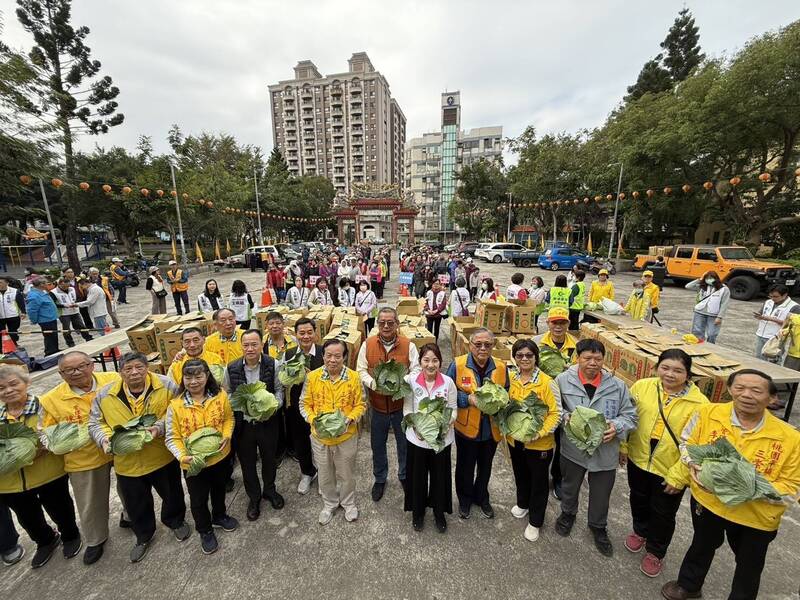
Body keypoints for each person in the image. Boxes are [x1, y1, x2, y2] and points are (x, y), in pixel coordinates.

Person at [661, 370, 800, 600]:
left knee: (750, 563)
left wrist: (746, 487)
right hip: (709, 501)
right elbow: (687, 442)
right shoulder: (708, 413)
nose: (746, 395)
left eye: (756, 390)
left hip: (755, 515)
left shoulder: (790, 438)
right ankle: (689, 585)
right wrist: (692, 464)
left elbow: (793, 487)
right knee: (702, 544)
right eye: (740, 388)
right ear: (729, 389)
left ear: (772, 398)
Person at [89, 352, 190, 563]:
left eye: (139, 367)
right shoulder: (105, 394)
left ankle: (176, 521)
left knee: (172, 494)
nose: (134, 373)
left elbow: (178, 410)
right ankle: (143, 535)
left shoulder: (166, 385)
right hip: (127, 462)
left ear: (147, 368)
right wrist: (107, 440)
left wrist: (159, 427)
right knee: (136, 502)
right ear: (120, 372)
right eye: (128, 369)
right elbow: (95, 423)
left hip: (161, 456)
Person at [619, 349, 709, 577]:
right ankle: (640, 530)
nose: (670, 374)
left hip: (670, 466)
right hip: (639, 457)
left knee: (664, 511)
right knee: (637, 497)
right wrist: (623, 446)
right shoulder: (643, 386)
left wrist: (679, 476)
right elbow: (627, 416)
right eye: (665, 368)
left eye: (678, 371)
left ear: (688, 375)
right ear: (657, 367)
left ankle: (656, 551)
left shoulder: (700, 404)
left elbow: (698, 445)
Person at [554, 339, 638, 557]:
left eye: (598, 359)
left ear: (604, 360)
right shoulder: (563, 381)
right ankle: (567, 514)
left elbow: (630, 416)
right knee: (570, 485)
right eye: (587, 358)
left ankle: (598, 526)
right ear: (577, 358)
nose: (593, 363)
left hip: (605, 450)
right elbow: (555, 409)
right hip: (574, 448)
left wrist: (616, 427)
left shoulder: (618, 386)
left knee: (601, 493)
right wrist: (566, 417)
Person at [38, 352, 120, 564]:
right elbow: (47, 434)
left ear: (92, 365)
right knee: (90, 502)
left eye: (81, 366)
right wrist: (56, 444)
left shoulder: (113, 380)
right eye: (68, 370)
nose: (76, 373)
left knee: (131, 488)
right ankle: (95, 539)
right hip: (83, 458)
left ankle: (130, 517)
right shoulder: (51, 400)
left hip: (118, 447)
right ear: (60, 374)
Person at [0, 366, 82, 568]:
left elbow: (63, 434)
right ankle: (45, 541)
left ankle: (70, 536)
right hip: (10, 482)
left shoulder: (45, 406)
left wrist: (35, 450)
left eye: (13, 384)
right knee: (27, 517)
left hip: (48, 473)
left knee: (59, 507)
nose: (8, 391)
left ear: (26, 383)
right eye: (1, 388)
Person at [166, 359, 237, 555]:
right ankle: (204, 530)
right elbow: (172, 437)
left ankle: (219, 515)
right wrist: (182, 456)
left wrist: (227, 435)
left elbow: (228, 418)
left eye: (198, 376)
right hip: (194, 463)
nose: (194, 382)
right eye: (188, 377)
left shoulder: (220, 395)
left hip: (219, 457)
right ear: (183, 379)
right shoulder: (176, 405)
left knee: (219, 489)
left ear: (207, 376)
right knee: (198, 499)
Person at [356, 307, 420, 502]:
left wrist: (402, 382)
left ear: (397, 324)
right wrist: (374, 384)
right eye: (382, 322)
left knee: (404, 444)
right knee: (377, 445)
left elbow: (416, 370)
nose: (386, 326)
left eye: (390, 323)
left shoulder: (408, 345)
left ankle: (404, 475)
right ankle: (380, 478)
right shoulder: (368, 344)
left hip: (401, 406)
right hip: (377, 407)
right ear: (377, 324)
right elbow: (361, 370)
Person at [299, 339, 366, 525]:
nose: (333, 360)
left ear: (345, 357)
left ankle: (348, 503)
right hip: (320, 437)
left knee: (347, 473)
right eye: (329, 356)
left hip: (346, 435)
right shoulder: (312, 377)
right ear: (323, 356)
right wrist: (315, 421)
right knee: (325, 473)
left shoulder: (353, 377)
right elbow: (304, 404)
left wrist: (350, 419)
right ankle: (329, 504)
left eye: (337, 356)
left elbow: (361, 404)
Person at [446, 328, 509, 520]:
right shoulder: (457, 365)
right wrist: (468, 400)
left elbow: (507, 391)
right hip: (466, 428)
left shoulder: (501, 367)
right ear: (470, 345)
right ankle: (464, 499)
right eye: (478, 344)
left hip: (490, 430)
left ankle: (481, 497)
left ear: (493, 346)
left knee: (486, 466)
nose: (483, 348)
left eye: (488, 345)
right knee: (465, 466)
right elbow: (447, 395)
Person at [505, 339, 562, 542]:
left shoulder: (547, 382)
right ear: (515, 358)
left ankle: (535, 521)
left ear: (536, 357)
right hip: (516, 440)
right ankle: (522, 504)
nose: (525, 359)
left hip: (539, 444)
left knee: (539, 482)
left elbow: (556, 414)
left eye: (529, 355)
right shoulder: (511, 378)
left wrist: (541, 432)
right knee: (520, 474)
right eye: (520, 355)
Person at [226, 330, 285, 521]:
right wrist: (242, 407)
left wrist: (271, 409)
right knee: (247, 463)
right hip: (243, 426)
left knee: (270, 459)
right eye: (246, 345)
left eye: (254, 344)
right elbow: (226, 393)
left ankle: (270, 490)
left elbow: (278, 391)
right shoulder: (232, 367)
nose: (250, 348)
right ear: (241, 346)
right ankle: (254, 497)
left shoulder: (272, 364)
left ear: (261, 344)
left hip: (268, 422)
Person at [403, 343, 456, 533]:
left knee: (439, 478)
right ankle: (418, 513)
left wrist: (445, 425)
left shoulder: (448, 382)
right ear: (420, 362)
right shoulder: (410, 381)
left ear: (440, 362)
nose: (430, 365)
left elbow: (453, 409)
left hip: (441, 441)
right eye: (426, 360)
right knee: (417, 478)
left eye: (435, 360)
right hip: (417, 439)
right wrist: (415, 426)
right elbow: (408, 409)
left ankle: (439, 513)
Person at [283, 318, 322, 495]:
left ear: (315, 333)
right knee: (301, 441)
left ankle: (325, 475)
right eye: (301, 333)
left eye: (309, 332)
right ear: (296, 334)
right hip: (297, 405)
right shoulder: (289, 354)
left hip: (321, 406)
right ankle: (307, 472)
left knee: (322, 442)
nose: (306, 336)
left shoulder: (324, 353)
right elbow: (282, 379)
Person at [753, 284, 799, 359]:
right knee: (759, 358)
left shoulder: (794, 307)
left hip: (776, 338)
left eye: (775, 297)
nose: (772, 299)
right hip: (761, 334)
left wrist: (771, 319)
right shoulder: (768, 302)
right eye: (770, 296)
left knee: (773, 360)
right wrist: (759, 316)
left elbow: (792, 326)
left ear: (785, 295)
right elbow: (761, 313)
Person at [686, 271, 730, 344]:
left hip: (714, 314)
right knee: (697, 331)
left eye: (711, 278)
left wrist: (720, 317)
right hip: (699, 311)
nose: (709, 280)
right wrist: (700, 279)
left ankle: (710, 347)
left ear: (716, 278)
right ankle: (698, 345)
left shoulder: (724, 289)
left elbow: (724, 304)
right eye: (707, 278)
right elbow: (688, 286)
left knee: (712, 334)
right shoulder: (702, 286)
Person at [51, 278, 93, 347]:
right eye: (64, 286)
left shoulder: (72, 289)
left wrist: (76, 303)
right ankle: (70, 343)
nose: (66, 288)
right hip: (64, 313)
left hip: (75, 311)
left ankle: (88, 337)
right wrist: (63, 305)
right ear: (59, 284)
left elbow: (76, 298)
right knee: (66, 329)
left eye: (68, 286)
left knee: (81, 325)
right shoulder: (53, 292)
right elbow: (53, 304)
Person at [25, 276, 60, 356]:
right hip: (45, 319)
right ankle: (50, 352)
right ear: (41, 284)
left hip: (51, 318)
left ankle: (55, 349)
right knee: (49, 337)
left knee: (54, 336)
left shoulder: (42, 292)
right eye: (45, 283)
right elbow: (32, 310)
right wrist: (34, 320)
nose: (47, 284)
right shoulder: (34, 295)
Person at [0, 276, 25, 344]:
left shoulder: (15, 291)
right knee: (2, 332)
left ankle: (14, 343)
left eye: (1, 282)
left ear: (7, 283)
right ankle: (3, 347)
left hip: (13, 315)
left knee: (13, 331)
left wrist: (23, 312)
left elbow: (21, 302)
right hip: (1, 316)